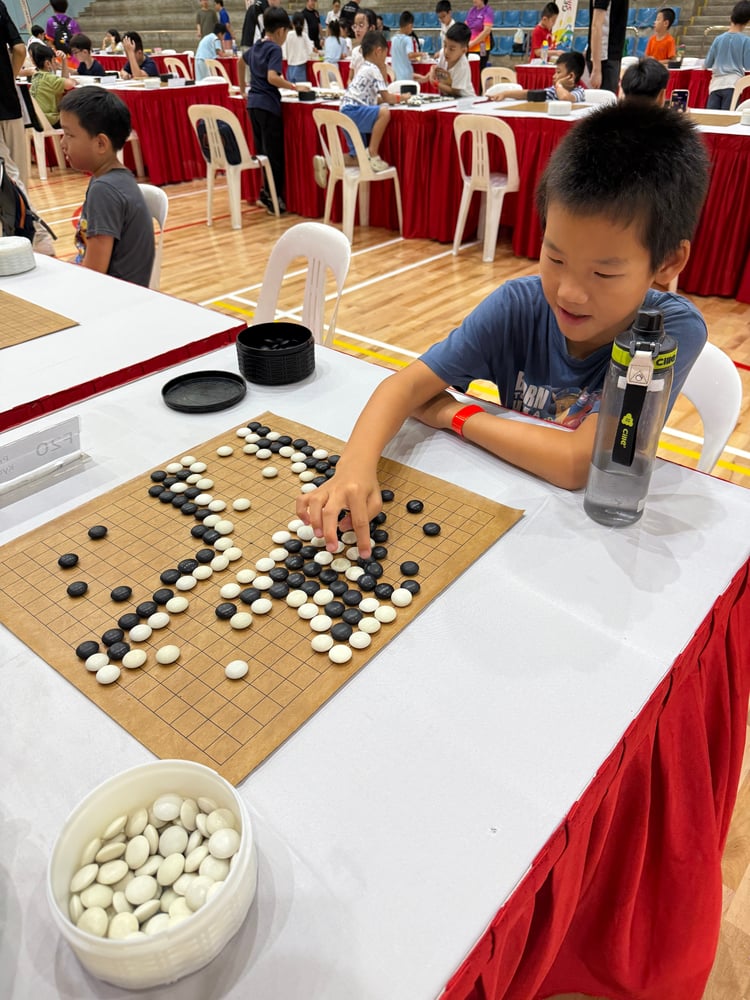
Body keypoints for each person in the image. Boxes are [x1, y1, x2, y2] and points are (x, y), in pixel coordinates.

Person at [297, 102, 709, 557]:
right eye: (555, 258)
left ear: (667, 262)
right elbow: (402, 387)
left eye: (603, 273)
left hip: (587, 543)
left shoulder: (665, 337)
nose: (569, 293)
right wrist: (353, 468)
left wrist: (452, 414)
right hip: (508, 511)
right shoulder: (518, 305)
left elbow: (580, 463)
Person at [59, 88, 154, 287]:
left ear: (101, 144)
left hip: (113, 296)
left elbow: (95, 274)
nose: (62, 143)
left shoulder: (105, 190)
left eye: (69, 135)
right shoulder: (111, 179)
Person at [314, 29, 400, 185]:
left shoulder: (363, 69)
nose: (386, 59)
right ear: (378, 51)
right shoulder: (374, 69)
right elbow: (388, 98)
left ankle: (326, 161)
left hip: (346, 111)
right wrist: (402, 97)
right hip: (353, 112)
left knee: (357, 158)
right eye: (385, 54)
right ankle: (372, 153)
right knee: (385, 113)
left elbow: (374, 99)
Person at [245, 4, 297, 213]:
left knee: (263, 155)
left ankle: (265, 193)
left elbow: (240, 62)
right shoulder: (274, 48)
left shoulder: (257, 45)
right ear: (281, 31)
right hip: (268, 107)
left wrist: (242, 89)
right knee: (274, 156)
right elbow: (272, 77)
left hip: (253, 105)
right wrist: (293, 86)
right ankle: (275, 201)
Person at [705, 0, 750, 110]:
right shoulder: (746, 41)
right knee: (728, 117)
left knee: (712, 117)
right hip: (733, 84)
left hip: (715, 84)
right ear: (747, 21)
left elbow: (707, 64)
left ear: (732, 16)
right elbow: (748, 65)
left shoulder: (718, 39)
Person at [491, 50, 586, 102]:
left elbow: (565, 98)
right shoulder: (553, 91)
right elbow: (527, 94)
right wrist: (505, 94)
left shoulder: (579, 91)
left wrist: (559, 84)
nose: (554, 76)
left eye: (558, 72)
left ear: (571, 76)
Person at [419, 21, 474, 96]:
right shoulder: (442, 53)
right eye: (445, 45)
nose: (446, 51)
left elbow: (455, 92)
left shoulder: (462, 66)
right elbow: (437, 69)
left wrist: (436, 84)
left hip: (465, 99)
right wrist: (432, 72)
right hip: (448, 98)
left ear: (463, 51)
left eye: (452, 49)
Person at [587, 0, 628, 92]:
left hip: (612, 56)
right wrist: (597, 69)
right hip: (604, 59)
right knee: (604, 99)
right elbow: (596, 26)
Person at [30, 44, 75, 126]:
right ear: (48, 63)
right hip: (50, 120)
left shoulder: (35, 76)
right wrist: (74, 81)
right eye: (54, 61)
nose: (56, 64)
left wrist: (64, 60)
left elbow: (63, 80)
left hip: (37, 119)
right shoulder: (49, 78)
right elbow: (69, 84)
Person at [285, 11, 314, 82]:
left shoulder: (288, 34)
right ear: (303, 24)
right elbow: (310, 50)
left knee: (291, 88)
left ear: (292, 22)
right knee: (301, 88)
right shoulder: (304, 35)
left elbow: (284, 51)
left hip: (290, 67)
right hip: (301, 66)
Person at [348, 7, 376, 79]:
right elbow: (350, 78)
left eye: (361, 25)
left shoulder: (377, 52)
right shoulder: (355, 51)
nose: (357, 30)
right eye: (355, 26)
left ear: (371, 28)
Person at [391, 11, 419, 81]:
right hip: (406, 75)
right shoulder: (408, 39)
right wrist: (421, 54)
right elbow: (410, 55)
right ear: (410, 26)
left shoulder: (393, 39)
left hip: (395, 75)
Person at [466, 0, 493, 70]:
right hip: (469, 47)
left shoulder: (488, 10)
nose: (474, 0)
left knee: (480, 68)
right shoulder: (471, 10)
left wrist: (472, 43)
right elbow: (465, 26)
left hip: (482, 47)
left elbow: (486, 31)